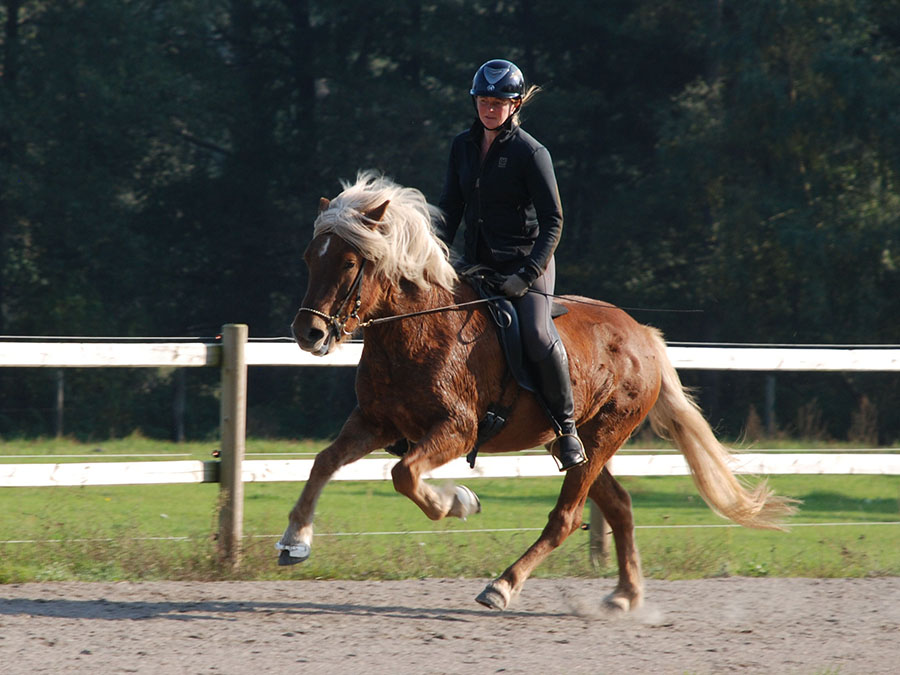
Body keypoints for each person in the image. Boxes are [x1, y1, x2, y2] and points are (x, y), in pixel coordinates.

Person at [437, 58, 587, 471]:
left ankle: (566, 428)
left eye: (499, 101)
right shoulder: (461, 147)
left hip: (527, 262)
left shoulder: (531, 152)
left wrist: (526, 275)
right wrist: (434, 255)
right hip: (477, 263)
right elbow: (450, 207)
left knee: (537, 334)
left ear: (515, 104)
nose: (490, 108)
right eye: (484, 100)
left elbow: (554, 221)